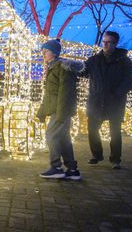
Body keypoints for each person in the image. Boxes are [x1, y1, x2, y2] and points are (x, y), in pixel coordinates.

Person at [80, 31, 132, 169]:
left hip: (114, 102)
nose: (104, 44)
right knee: (92, 130)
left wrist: (117, 93)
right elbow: (82, 71)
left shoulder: (124, 61)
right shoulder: (94, 60)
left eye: (108, 42)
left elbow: (129, 81)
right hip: (96, 101)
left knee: (115, 132)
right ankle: (96, 155)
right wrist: (70, 66)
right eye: (103, 42)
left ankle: (116, 159)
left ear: (115, 43)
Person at [37, 39, 81, 180]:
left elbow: (65, 94)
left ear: (55, 53)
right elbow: (49, 94)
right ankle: (72, 170)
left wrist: (61, 115)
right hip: (58, 110)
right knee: (63, 139)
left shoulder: (63, 68)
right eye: (43, 50)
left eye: (47, 50)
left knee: (51, 136)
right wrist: (42, 112)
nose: (43, 52)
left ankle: (56, 167)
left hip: (61, 111)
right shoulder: (52, 67)